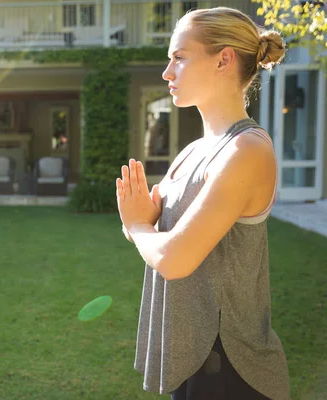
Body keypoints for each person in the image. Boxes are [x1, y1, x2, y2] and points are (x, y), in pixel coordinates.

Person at [116, 7, 290, 400]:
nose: (167, 72)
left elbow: (173, 258)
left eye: (179, 57)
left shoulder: (246, 150)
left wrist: (139, 226)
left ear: (223, 60)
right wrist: (140, 222)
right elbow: (149, 231)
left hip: (231, 369)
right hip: (194, 358)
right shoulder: (194, 151)